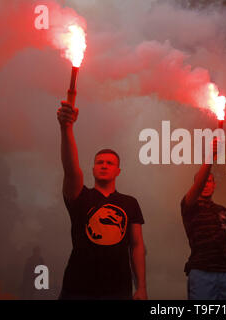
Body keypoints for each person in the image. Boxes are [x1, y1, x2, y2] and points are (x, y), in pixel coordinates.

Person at [57, 101, 147, 300]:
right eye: (100, 162)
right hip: (77, 289)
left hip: (117, 290)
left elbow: (137, 245)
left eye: (110, 163)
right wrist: (66, 128)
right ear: (93, 169)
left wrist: (141, 287)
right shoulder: (81, 196)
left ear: (118, 171)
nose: (104, 165)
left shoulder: (129, 203)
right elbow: (71, 169)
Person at [180, 139, 226, 300]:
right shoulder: (189, 205)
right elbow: (199, 182)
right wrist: (211, 156)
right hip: (202, 271)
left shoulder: (222, 211)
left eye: (209, 181)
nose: (206, 184)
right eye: (202, 182)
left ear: (214, 185)